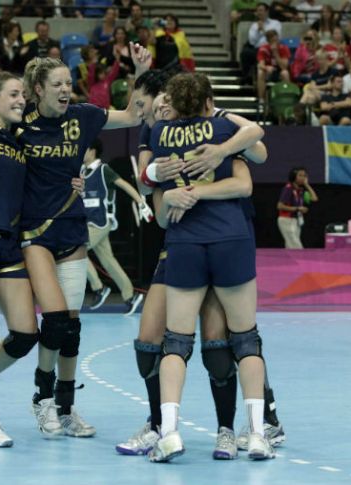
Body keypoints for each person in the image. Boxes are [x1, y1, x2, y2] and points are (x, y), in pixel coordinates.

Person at [118, 74, 285, 459]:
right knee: (246, 339)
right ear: (209, 100)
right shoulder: (225, 128)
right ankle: (257, 433)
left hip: (185, 242)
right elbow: (257, 141)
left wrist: (186, 190)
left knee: (178, 342)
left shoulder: (160, 133)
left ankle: (171, 432)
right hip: (229, 239)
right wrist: (221, 148)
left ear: (175, 101)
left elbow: (147, 180)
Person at [0, 44, 87, 443]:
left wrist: (73, 182)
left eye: (23, 95)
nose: (21, 100)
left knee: (25, 333)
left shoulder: (22, 141)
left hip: (9, 243)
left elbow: (46, 175)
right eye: (13, 94)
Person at [15, 47, 153, 438]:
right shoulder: (20, 122)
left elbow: (131, 115)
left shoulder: (82, 116)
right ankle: (41, 400)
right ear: (37, 89)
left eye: (68, 83)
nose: (65, 89)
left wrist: (140, 71)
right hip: (35, 231)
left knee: (71, 327)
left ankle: (65, 407)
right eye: (56, 84)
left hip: (72, 228)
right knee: (55, 319)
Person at [82, 138, 151, 314]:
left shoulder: (104, 170)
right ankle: (130, 296)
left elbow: (125, 185)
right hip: (87, 222)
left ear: (92, 151)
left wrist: (141, 203)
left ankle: (98, 287)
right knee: (108, 260)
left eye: (84, 148)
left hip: (101, 221)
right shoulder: (82, 172)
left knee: (76, 251)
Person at [277, 167, 318, 249]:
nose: (303, 178)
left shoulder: (300, 190)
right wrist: (298, 209)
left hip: (296, 221)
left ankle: (289, 262)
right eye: (300, 175)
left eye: (304, 176)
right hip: (286, 220)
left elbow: (314, 198)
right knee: (297, 247)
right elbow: (279, 206)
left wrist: (307, 185)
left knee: (290, 246)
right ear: (294, 176)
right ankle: (302, 261)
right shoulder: (288, 188)